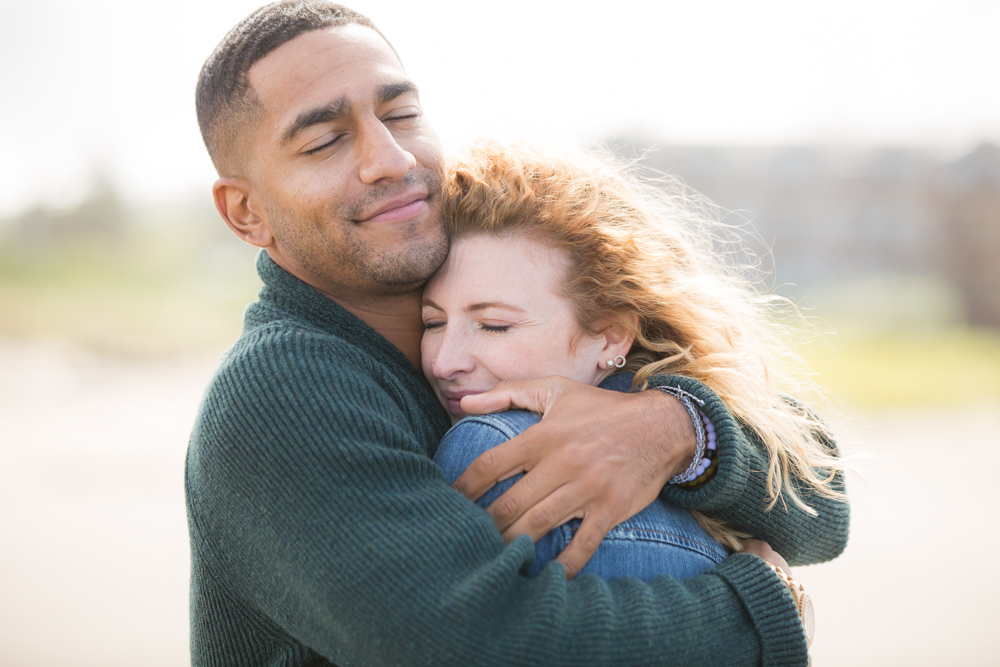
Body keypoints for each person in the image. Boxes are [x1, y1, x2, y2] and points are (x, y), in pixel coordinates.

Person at [186, 2, 848, 665]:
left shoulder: (491, 278)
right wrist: (766, 609)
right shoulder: (284, 388)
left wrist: (680, 429)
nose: (388, 158)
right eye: (325, 139)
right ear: (246, 211)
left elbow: (823, 497)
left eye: (401, 114)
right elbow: (480, 642)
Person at [425, 141, 846, 582]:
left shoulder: (491, 443)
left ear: (610, 334)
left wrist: (687, 427)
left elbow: (825, 503)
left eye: (494, 325)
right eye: (432, 323)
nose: (444, 363)